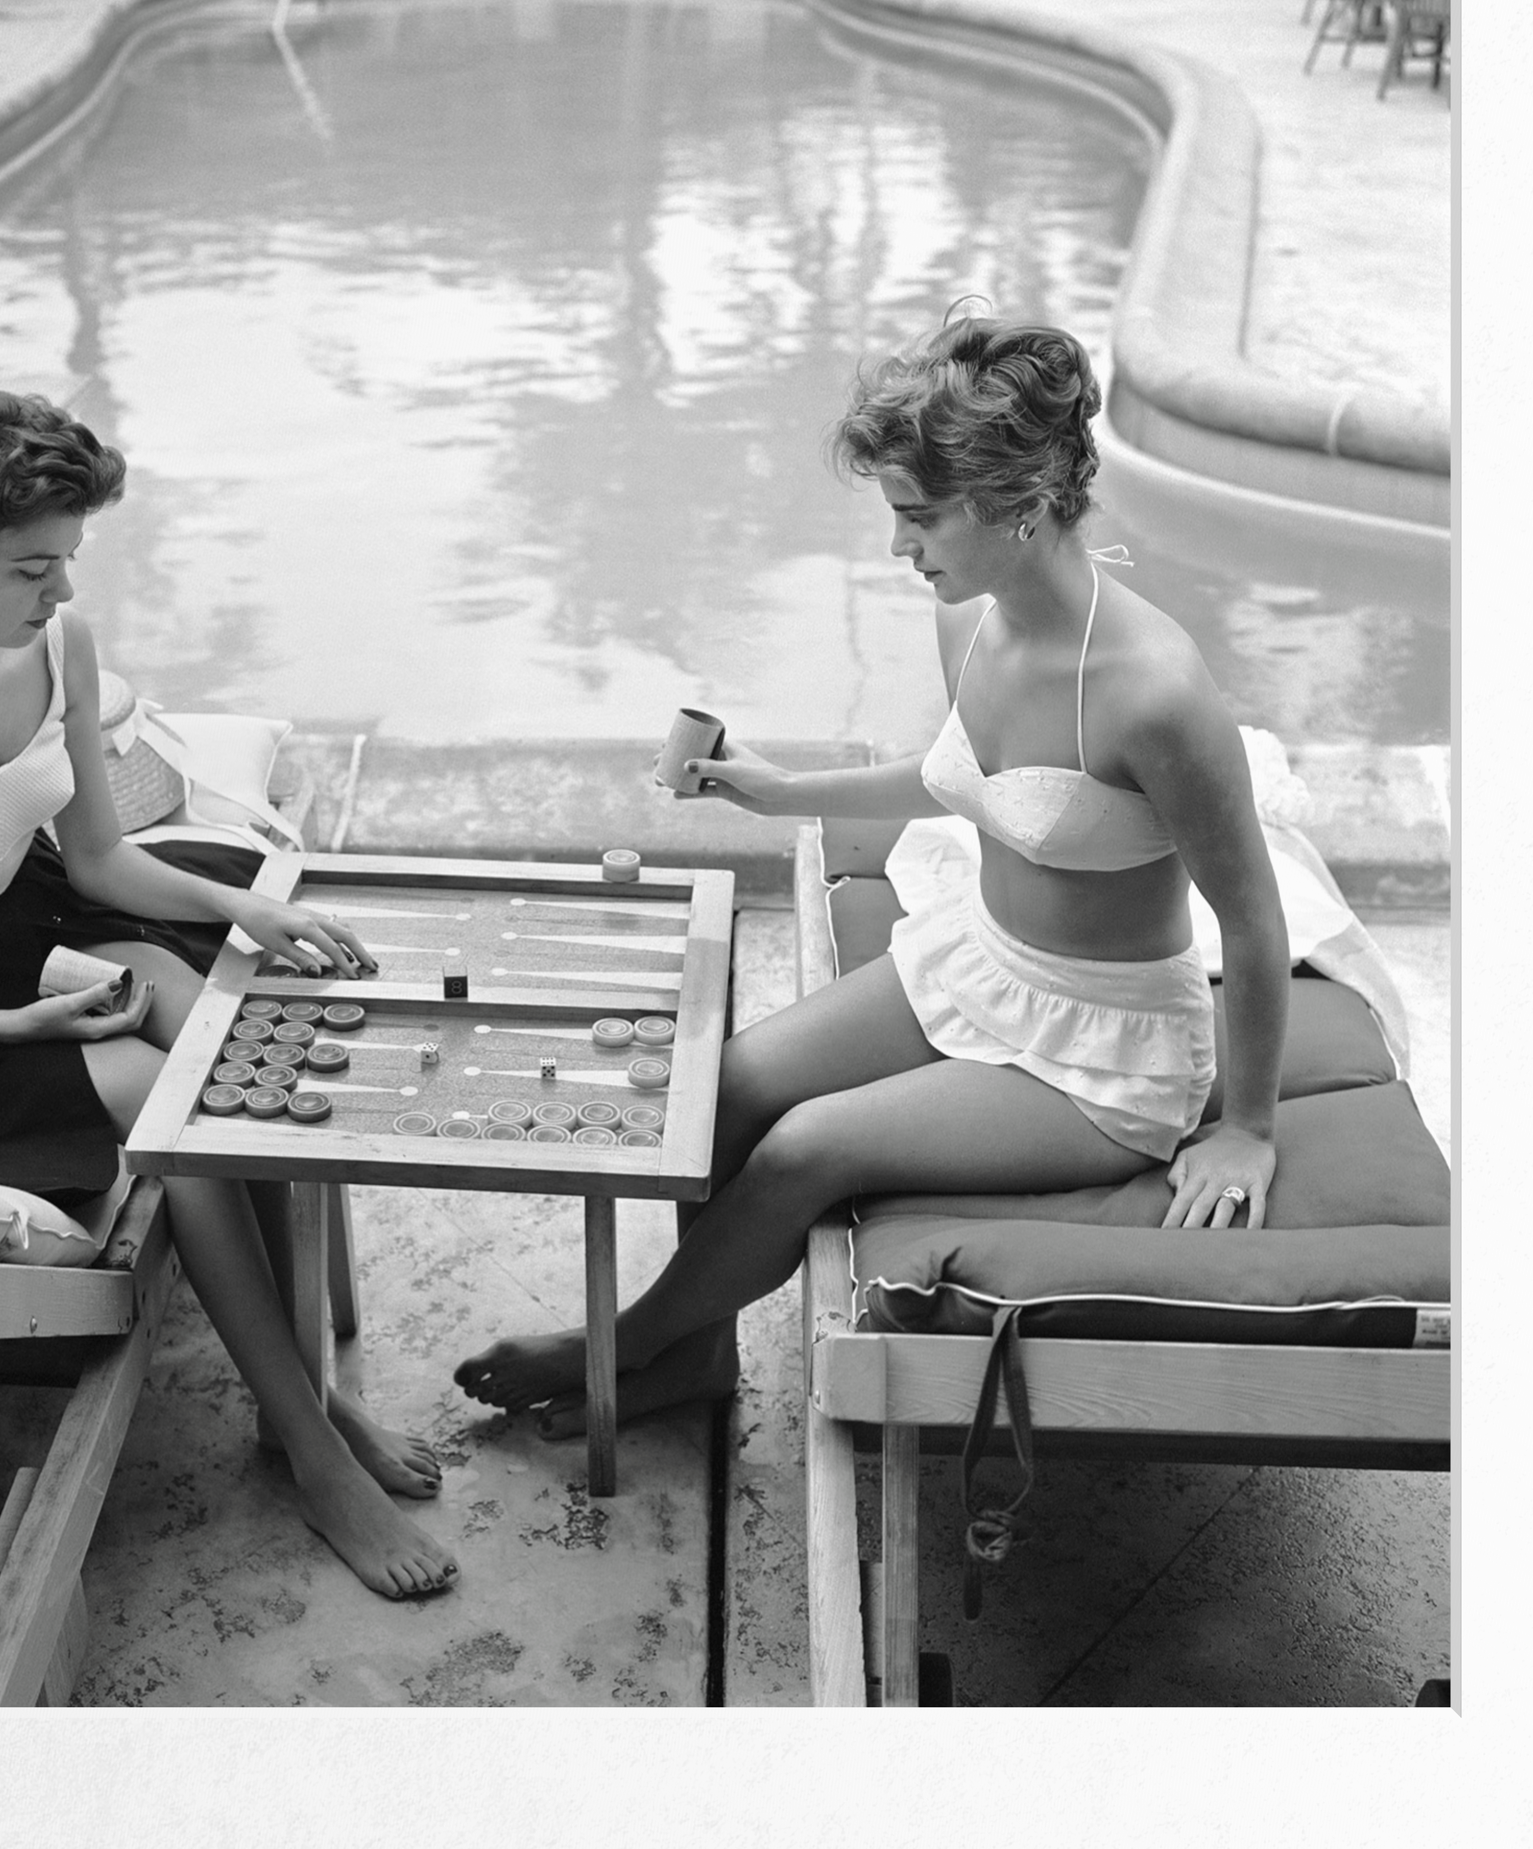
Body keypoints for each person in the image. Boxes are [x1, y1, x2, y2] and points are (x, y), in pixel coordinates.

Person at [456, 314, 1293, 1435]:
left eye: (918, 517)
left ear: (1019, 502)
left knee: (811, 1145)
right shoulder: (974, 621)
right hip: (979, 964)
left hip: (1102, 1053)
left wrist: (1248, 1127)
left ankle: (620, 1347)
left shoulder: (1154, 694)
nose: (900, 548)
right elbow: (966, 776)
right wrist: (776, 789)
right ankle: (691, 1357)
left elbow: (1251, 919)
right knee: (733, 1084)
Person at [0, 388, 458, 1599]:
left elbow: (99, 860)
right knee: (165, 1101)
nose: (60, 593)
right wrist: (4, 1027)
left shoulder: (58, 646)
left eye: (69, 562)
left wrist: (244, 907)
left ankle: (310, 1393)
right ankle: (310, 1451)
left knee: (241, 1022)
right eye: (32, 567)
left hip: (22, 934)